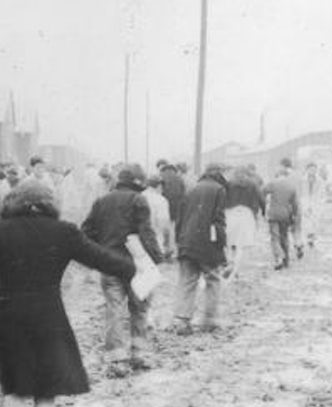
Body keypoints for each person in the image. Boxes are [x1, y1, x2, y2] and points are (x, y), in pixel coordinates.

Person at [0, 182, 135, 407]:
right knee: (46, 382)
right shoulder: (64, 231)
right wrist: (132, 268)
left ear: (13, 201)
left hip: (9, 310)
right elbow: (100, 258)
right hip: (49, 312)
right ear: (50, 203)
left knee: (14, 375)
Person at [81, 164, 163, 374]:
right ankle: (139, 354)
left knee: (114, 308)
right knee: (139, 308)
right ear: (137, 182)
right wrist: (156, 257)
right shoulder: (138, 200)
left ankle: (116, 358)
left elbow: (86, 232)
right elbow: (146, 232)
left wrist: (100, 253)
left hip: (109, 263)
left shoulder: (101, 201)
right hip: (136, 264)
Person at [172, 164, 228, 334]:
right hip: (207, 244)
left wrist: (179, 242)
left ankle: (182, 320)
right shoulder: (219, 190)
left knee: (187, 281)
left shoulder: (191, 188)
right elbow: (218, 221)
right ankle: (208, 320)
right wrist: (221, 246)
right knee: (213, 280)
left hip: (186, 242)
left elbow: (179, 219)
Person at [223, 163, 263, 280]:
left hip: (230, 213)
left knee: (230, 242)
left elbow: (223, 198)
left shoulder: (229, 183)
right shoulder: (252, 184)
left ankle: (230, 261)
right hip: (246, 214)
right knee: (241, 245)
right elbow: (260, 199)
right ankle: (236, 269)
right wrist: (261, 213)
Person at [261, 158, 300, 270]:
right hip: (285, 215)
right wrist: (294, 215)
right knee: (284, 237)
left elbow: (262, 192)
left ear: (278, 174)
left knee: (275, 237)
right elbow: (295, 204)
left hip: (273, 214)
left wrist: (265, 203)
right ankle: (286, 260)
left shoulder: (273, 183)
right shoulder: (292, 186)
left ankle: (279, 257)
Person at [157, 160, 185, 251]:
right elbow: (183, 193)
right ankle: (174, 247)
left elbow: (159, 192)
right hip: (177, 208)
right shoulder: (179, 178)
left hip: (164, 207)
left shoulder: (161, 177)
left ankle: (165, 247)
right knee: (174, 228)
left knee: (164, 229)